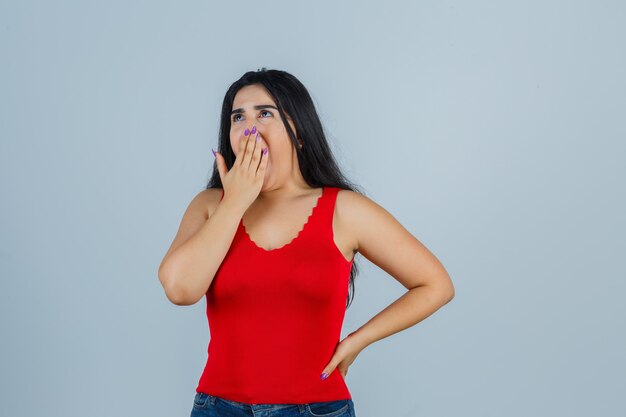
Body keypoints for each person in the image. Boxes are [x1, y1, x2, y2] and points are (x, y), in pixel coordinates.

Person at [158, 68, 455, 417]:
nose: (248, 126)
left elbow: (436, 284)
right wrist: (235, 200)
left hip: (316, 409)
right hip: (218, 408)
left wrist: (357, 341)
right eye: (238, 116)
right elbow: (179, 289)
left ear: (298, 131)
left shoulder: (344, 210)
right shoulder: (210, 206)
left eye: (265, 113)